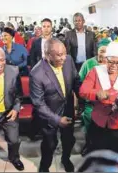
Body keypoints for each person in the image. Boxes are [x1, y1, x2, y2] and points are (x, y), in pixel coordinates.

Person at [79, 42, 118, 156]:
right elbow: (83, 91)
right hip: (98, 122)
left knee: (117, 157)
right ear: (105, 59)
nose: (114, 65)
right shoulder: (96, 71)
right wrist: (96, 94)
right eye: (111, 61)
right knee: (97, 154)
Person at [29, 39, 80, 172]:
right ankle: (44, 166)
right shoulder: (37, 73)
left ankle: (65, 159)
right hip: (49, 115)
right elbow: (38, 104)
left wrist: (83, 99)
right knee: (49, 144)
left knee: (68, 140)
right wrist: (57, 120)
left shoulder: (68, 60)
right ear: (47, 55)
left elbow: (76, 81)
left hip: (68, 110)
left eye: (64, 53)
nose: (63, 58)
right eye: (58, 55)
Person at [79, 38, 111, 156]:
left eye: (107, 52)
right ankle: (89, 146)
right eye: (101, 51)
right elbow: (79, 83)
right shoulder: (88, 64)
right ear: (97, 50)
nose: (103, 54)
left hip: (107, 105)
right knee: (90, 129)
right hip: (90, 105)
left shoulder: (112, 65)